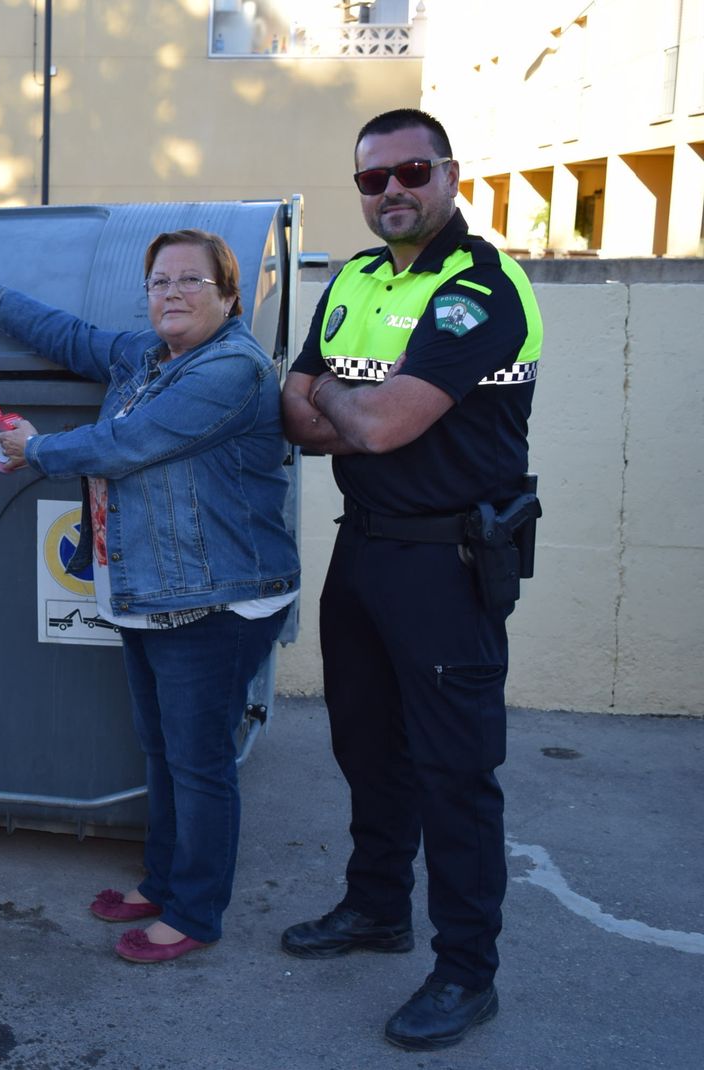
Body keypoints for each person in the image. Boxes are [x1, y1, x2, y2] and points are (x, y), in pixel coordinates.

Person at [0, 229, 299, 965]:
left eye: (191, 281)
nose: (171, 293)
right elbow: (77, 339)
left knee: (199, 763)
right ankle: (163, 881)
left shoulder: (230, 369)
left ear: (229, 297)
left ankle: (195, 912)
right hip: (151, 592)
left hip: (219, 600)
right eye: (160, 281)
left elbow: (125, 444)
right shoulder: (151, 357)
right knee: (164, 752)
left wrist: (31, 448)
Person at [279, 108, 542, 1051]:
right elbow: (294, 415)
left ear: (449, 173)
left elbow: (374, 426)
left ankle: (468, 972)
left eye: (410, 170)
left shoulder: (481, 288)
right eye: (371, 178)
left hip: (449, 560)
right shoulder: (351, 279)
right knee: (365, 748)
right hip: (366, 550)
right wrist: (360, 406)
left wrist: (344, 406)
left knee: (455, 775)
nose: (391, 189)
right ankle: (377, 907)